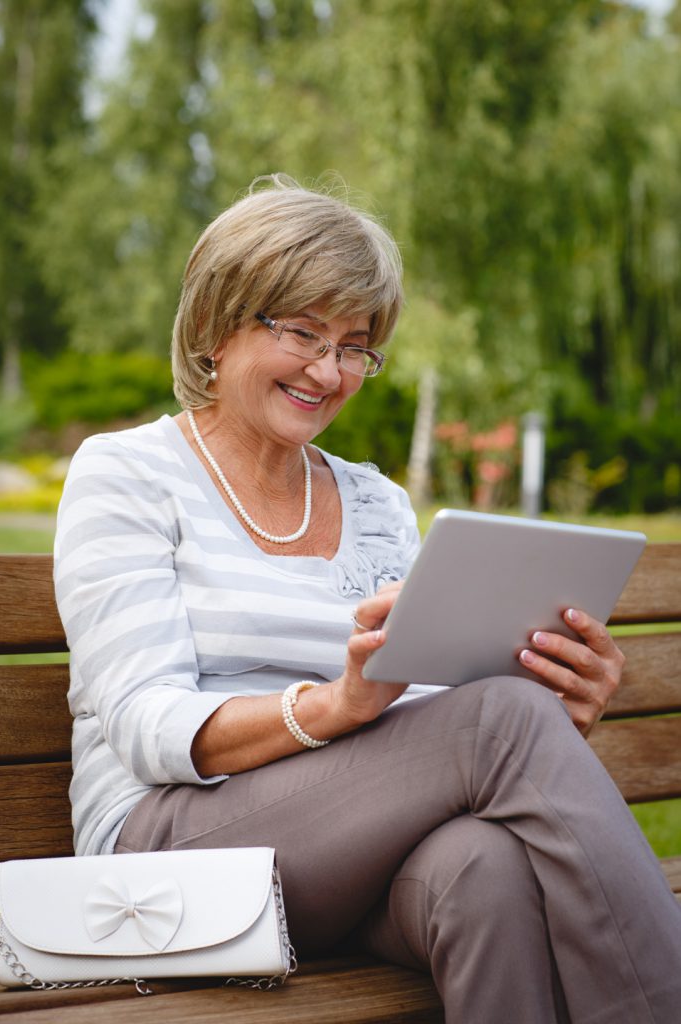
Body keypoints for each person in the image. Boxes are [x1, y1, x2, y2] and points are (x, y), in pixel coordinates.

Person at [54, 173, 681, 1023]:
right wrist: (337, 706)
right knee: (501, 724)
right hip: (170, 848)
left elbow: (430, 713)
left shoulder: (377, 502)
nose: (329, 370)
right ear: (214, 327)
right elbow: (147, 727)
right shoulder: (126, 475)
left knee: (480, 871)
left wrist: (554, 696)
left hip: (348, 850)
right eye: (304, 333)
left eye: (355, 346)